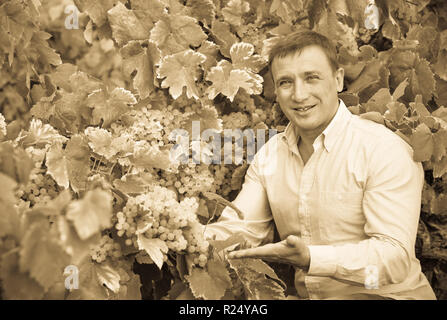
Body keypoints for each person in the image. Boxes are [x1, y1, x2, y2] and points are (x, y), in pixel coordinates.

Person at [204, 29, 436, 300]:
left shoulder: (382, 149)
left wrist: (313, 258)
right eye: (286, 83)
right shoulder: (270, 155)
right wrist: (184, 235)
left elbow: (393, 259)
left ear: (338, 79)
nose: (299, 95)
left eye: (311, 78)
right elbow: (241, 228)